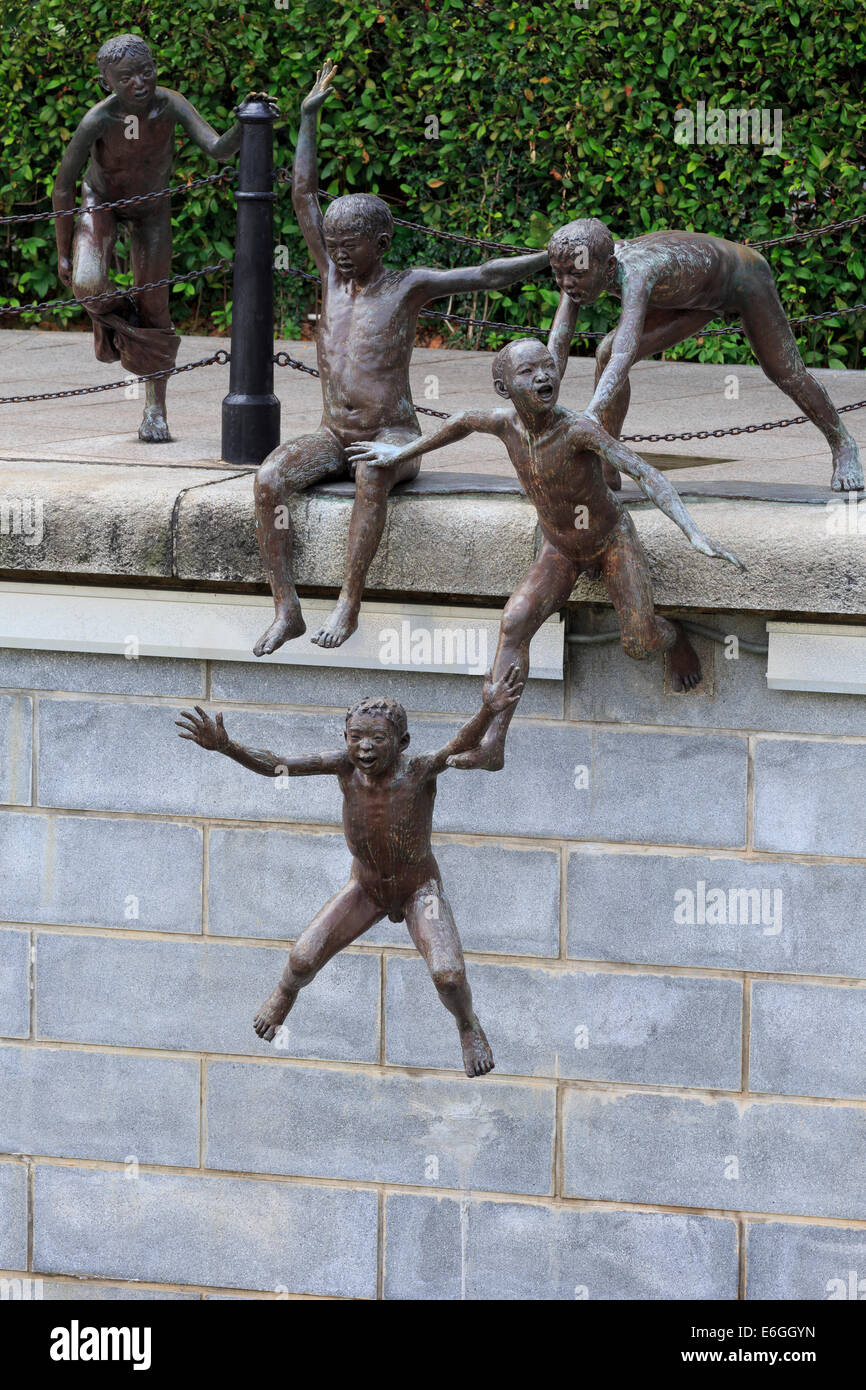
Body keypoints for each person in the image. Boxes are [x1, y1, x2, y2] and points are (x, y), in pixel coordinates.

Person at [346, 316, 744, 769]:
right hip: (559, 546)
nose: (542, 377)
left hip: (610, 539)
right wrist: (399, 452)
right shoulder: (502, 424)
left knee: (639, 643)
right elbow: (458, 422)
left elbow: (645, 472)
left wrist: (693, 531)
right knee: (514, 621)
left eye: (548, 367)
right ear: (504, 388)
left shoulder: (579, 429)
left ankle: (672, 639)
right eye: (527, 372)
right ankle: (494, 742)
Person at [253, 59, 549, 656]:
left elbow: (485, 274)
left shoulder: (406, 287)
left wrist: (547, 255)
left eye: (348, 246)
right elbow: (304, 194)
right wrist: (309, 116)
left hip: (392, 435)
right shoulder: (331, 279)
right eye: (330, 246)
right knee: (267, 479)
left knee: (372, 473)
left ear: (380, 245)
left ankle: (349, 601)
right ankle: (287, 607)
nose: (334, 254)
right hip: (334, 433)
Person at [175, 665, 525, 1077]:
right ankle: (286, 992)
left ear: (402, 742)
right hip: (367, 888)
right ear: (345, 739)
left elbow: (458, 744)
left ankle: (467, 1023)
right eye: (356, 738)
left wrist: (486, 712)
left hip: (418, 890)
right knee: (303, 957)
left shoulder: (417, 770)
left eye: (378, 739)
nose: (365, 749)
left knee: (448, 974)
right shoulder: (343, 767)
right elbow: (278, 766)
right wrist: (228, 746)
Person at [548, 217, 862, 493]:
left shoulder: (635, 270)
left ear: (609, 267)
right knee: (603, 352)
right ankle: (606, 464)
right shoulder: (579, 262)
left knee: (785, 371)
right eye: (559, 275)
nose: (566, 284)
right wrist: (536, 400)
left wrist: (590, 416)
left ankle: (843, 444)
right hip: (689, 296)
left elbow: (624, 353)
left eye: (573, 276)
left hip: (741, 279)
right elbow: (558, 346)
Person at [53, 34, 240, 441]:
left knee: (157, 307)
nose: (140, 83)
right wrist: (62, 252)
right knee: (87, 282)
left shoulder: (170, 104)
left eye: (147, 71)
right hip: (100, 201)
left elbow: (218, 150)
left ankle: (155, 411)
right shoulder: (98, 119)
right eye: (126, 78)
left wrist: (247, 124)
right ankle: (126, 319)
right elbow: (63, 185)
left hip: (152, 208)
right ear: (107, 83)